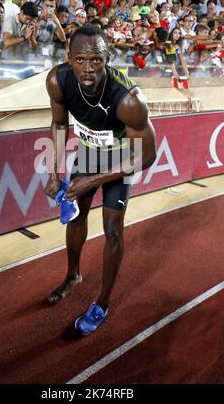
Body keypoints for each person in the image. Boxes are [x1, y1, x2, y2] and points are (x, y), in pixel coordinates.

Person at [44, 24, 156, 335]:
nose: (88, 68)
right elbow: (57, 124)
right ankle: (73, 275)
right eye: (80, 60)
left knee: (113, 231)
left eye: (97, 59)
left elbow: (146, 156)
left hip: (122, 158)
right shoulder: (58, 80)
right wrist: (55, 173)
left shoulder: (129, 100)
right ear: (69, 58)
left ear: (107, 58)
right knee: (76, 218)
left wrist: (93, 181)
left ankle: (102, 304)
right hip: (91, 152)